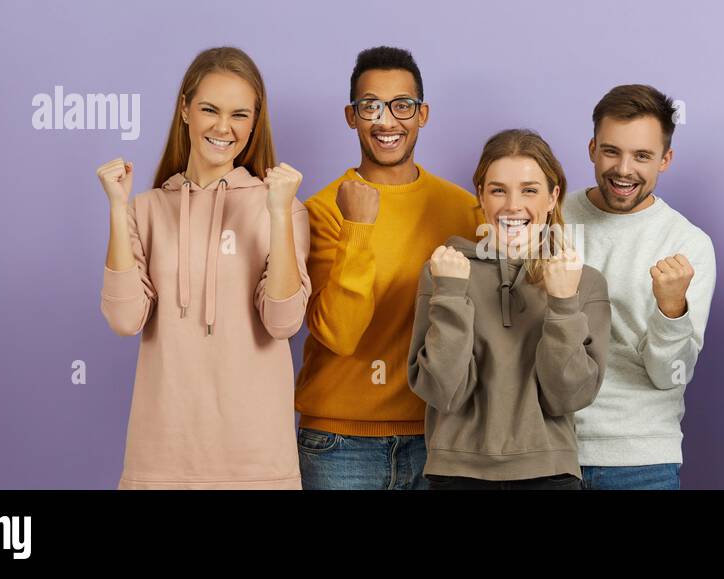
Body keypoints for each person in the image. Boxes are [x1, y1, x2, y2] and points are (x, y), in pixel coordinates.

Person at [98, 46, 310, 489]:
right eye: (209, 109)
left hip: (257, 462)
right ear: (185, 110)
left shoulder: (282, 209)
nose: (222, 127)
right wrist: (118, 209)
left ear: (254, 122)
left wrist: (276, 213)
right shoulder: (147, 209)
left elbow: (283, 322)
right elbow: (123, 318)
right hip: (161, 459)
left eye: (239, 115)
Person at [295, 46, 483, 490]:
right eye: (370, 106)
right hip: (338, 443)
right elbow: (340, 333)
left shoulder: (463, 209)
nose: (385, 121)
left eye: (401, 106)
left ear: (422, 114)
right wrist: (358, 229)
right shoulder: (322, 210)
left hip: (437, 435)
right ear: (351, 115)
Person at [408, 129, 610, 490]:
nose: (513, 205)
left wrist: (563, 306)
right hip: (457, 474)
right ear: (481, 197)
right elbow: (443, 391)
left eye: (529, 190)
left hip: (550, 474)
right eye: (498, 189)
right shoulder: (444, 272)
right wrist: (452, 294)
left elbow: (567, 396)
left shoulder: (585, 281)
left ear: (553, 197)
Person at [563, 84, 716, 490]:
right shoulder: (551, 217)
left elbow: (671, 376)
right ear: (592, 148)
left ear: (665, 159)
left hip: (641, 461)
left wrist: (671, 312)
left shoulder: (689, 245)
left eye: (642, 156)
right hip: (547, 452)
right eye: (612, 151)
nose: (624, 169)